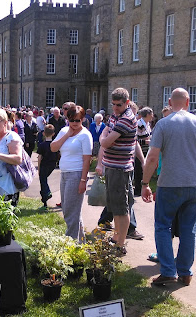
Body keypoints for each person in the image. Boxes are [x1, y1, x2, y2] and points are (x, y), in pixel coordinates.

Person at [141, 88, 196, 287]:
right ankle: (185, 272)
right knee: (188, 229)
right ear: (187, 102)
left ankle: (168, 271)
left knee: (163, 226)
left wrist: (144, 183)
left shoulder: (164, 124)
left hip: (170, 183)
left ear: (169, 101)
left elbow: (152, 157)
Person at [96, 88, 139, 256]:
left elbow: (105, 142)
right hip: (112, 167)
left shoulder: (127, 119)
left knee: (121, 208)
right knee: (115, 206)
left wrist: (103, 138)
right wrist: (105, 137)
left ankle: (120, 245)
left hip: (120, 169)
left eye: (118, 105)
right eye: (113, 105)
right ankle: (116, 237)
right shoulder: (116, 115)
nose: (115, 108)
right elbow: (106, 132)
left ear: (127, 103)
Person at [51, 106, 92, 241]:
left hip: (76, 174)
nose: (74, 123)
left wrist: (83, 180)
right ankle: (81, 242)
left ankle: (70, 241)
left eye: (78, 120)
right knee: (72, 211)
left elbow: (87, 159)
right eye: (71, 120)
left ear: (83, 119)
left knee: (69, 211)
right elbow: (53, 147)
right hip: (64, 173)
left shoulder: (85, 135)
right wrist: (67, 134)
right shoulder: (64, 131)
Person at [134, 107, 154, 196]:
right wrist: (145, 141)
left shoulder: (148, 124)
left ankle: (142, 187)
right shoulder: (139, 124)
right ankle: (137, 188)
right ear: (148, 114)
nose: (152, 116)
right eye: (151, 114)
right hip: (139, 151)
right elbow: (135, 139)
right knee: (138, 169)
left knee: (144, 169)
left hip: (146, 150)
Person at [37, 125, 58, 208]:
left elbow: (40, 157)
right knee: (44, 179)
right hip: (52, 164)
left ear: (43, 133)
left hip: (44, 164)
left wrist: (38, 168)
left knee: (43, 180)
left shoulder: (42, 145)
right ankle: (45, 198)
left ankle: (46, 196)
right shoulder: (55, 144)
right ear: (53, 134)